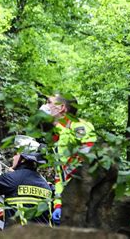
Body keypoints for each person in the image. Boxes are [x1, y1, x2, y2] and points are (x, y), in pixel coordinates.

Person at [39, 94, 96, 225]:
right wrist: (59, 204)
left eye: (49, 102)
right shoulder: (58, 135)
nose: (45, 106)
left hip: (83, 199)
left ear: (61, 108)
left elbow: (88, 160)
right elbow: (60, 176)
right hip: (69, 200)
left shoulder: (78, 127)